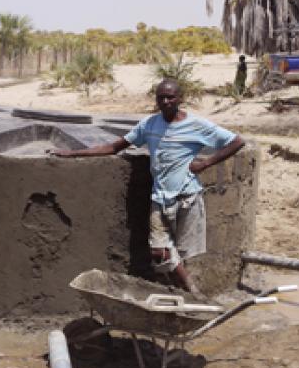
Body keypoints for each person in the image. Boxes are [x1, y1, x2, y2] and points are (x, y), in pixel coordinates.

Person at [49, 79, 245, 295]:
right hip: (160, 199)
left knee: (183, 254)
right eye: (161, 97)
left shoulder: (197, 125)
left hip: (188, 198)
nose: (166, 101)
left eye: (170, 97)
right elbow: (114, 147)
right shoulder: (149, 125)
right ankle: (193, 291)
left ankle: (178, 295)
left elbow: (237, 142)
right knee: (160, 252)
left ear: (180, 99)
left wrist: (205, 163)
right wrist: (72, 153)